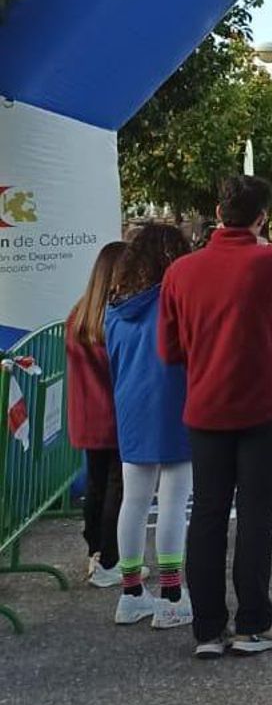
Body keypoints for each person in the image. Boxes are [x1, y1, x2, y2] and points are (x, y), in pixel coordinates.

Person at [158, 174, 272, 657]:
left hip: (206, 407)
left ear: (217, 213)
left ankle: (207, 629)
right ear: (262, 217)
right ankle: (253, 624)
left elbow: (169, 349)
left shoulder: (181, 271)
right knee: (255, 516)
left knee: (206, 513)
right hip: (265, 405)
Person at [104, 224, 194, 629]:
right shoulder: (174, 302)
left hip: (130, 407)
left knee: (135, 501)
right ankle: (172, 595)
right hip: (173, 402)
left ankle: (131, 594)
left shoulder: (115, 308)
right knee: (174, 500)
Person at [67, 241, 128, 588]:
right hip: (117, 415)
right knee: (118, 488)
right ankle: (109, 559)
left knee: (96, 485)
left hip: (87, 416)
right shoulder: (115, 317)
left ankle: (95, 552)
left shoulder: (78, 316)